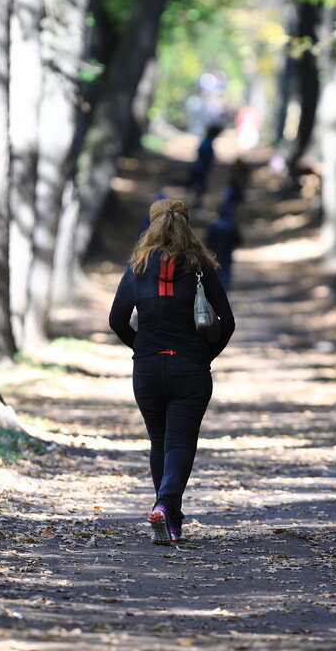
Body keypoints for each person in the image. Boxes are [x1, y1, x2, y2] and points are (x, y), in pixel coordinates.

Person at [108, 198, 235, 545]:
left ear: (152, 226)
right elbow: (228, 322)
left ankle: (171, 520)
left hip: (147, 370)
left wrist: (142, 348)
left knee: (159, 442)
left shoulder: (137, 267)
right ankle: (165, 507)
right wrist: (204, 355)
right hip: (189, 368)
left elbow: (116, 320)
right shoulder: (200, 268)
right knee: (180, 443)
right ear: (187, 225)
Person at [205, 203, 243, 291]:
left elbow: (208, 241)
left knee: (218, 271)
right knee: (226, 271)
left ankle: (219, 290)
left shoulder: (214, 225)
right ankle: (224, 289)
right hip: (227, 252)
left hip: (216, 253)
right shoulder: (231, 225)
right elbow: (238, 241)